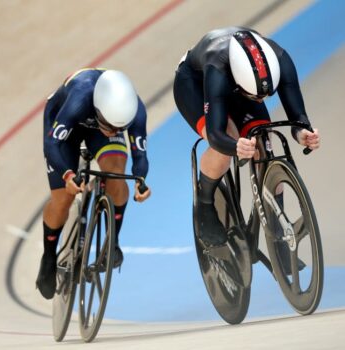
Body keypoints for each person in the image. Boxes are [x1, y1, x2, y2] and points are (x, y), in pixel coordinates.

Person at [173, 26, 320, 249]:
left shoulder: (279, 58)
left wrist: (302, 132)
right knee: (227, 141)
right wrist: (234, 146)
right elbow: (216, 135)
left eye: (265, 95)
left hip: (241, 83)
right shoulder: (217, 67)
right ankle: (204, 204)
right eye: (257, 96)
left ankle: (276, 230)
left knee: (264, 141)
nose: (261, 100)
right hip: (195, 84)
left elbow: (297, 114)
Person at [37, 68, 151, 299]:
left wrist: (141, 181)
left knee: (116, 174)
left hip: (98, 128)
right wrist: (68, 175)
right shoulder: (80, 96)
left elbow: (140, 156)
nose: (115, 132)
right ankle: (49, 255)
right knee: (63, 199)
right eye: (111, 126)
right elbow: (52, 145)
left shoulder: (135, 111)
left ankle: (113, 242)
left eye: (120, 128)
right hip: (64, 125)